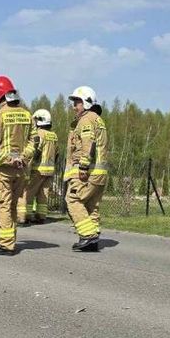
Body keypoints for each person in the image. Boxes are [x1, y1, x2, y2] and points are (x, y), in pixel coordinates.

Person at [0, 76, 37, 256]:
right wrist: (23, 157)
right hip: (21, 170)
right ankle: (10, 240)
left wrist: (6, 159)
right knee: (12, 205)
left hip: (3, 171)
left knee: (3, 205)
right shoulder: (27, 115)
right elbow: (35, 140)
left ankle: (6, 245)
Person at [64, 86, 109, 252]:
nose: (74, 106)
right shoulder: (97, 119)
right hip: (99, 172)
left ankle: (88, 235)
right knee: (92, 206)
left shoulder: (86, 119)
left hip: (87, 171)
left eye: (77, 102)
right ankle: (93, 240)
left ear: (87, 102)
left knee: (73, 200)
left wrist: (83, 167)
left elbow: (88, 144)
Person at [19, 108, 57, 224]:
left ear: (39, 120)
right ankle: (41, 216)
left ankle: (25, 216)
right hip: (50, 170)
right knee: (43, 194)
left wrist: (29, 164)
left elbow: (37, 150)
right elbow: (57, 153)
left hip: (38, 169)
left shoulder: (40, 134)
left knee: (28, 192)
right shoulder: (54, 135)